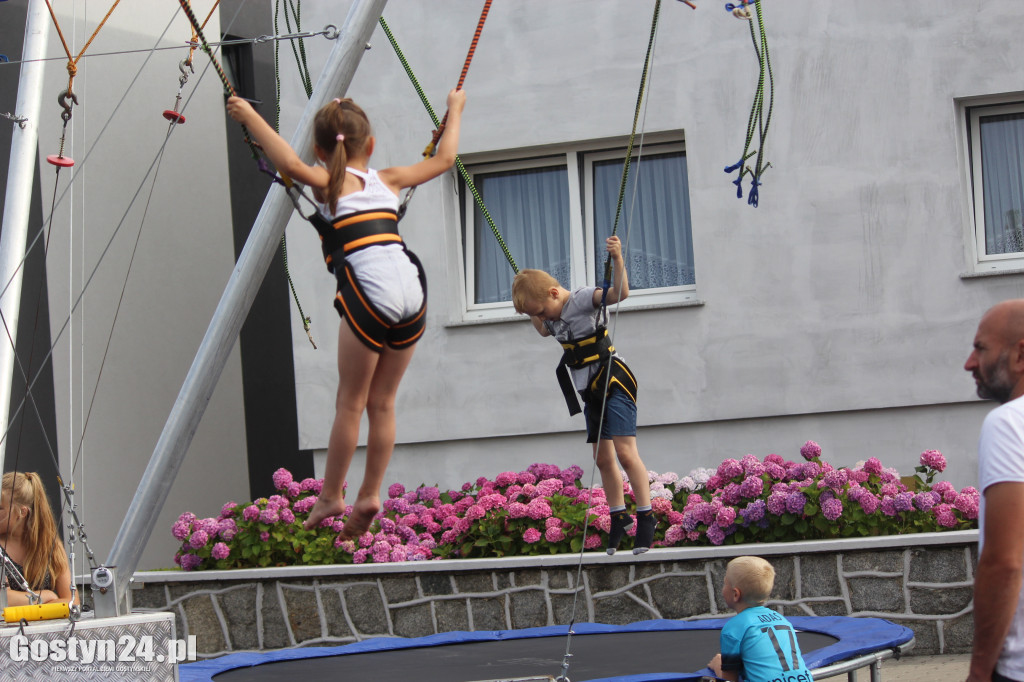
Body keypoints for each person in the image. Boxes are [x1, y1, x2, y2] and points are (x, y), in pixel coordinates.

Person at [227, 89, 467, 538]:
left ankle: (333, 494)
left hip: (370, 293)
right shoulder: (390, 179)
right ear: (370, 145)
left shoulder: (328, 183)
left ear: (321, 150)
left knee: (350, 402)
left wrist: (248, 116)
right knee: (383, 402)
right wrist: (455, 110)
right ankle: (371, 491)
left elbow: (290, 166)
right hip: (412, 292)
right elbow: (446, 159)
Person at [511, 236, 656, 554]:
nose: (545, 320)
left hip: (614, 381)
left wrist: (617, 260)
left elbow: (620, 294)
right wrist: (526, 301)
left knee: (625, 452)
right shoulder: (546, 314)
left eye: (543, 311)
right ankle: (619, 517)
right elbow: (540, 328)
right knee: (602, 458)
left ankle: (646, 516)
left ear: (553, 293)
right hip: (589, 392)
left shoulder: (581, 299)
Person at [964, 299, 1024, 682]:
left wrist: (980, 671)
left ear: (1021, 354)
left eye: (981, 348)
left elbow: (1005, 561)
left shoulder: (1008, 423)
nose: (969, 362)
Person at [707, 556, 811, 682]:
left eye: (725, 583)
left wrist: (718, 665)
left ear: (735, 594)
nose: (723, 588)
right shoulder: (782, 620)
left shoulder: (733, 628)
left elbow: (730, 679)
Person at [1, 471, 75, 605]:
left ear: (22, 512)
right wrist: (45, 596)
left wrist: (37, 606)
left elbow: (72, 601)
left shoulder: (50, 545)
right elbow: (4, 599)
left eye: (0, 508)